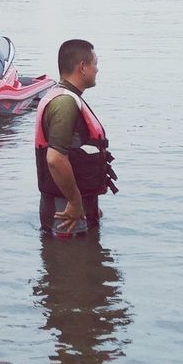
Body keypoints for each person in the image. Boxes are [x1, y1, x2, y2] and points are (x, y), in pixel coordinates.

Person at [34, 39, 116, 236]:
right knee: (70, 263)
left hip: (74, 207)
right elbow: (55, 159)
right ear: (82, 67)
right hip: (65, 213)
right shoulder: (64, 103)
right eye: (95, 63)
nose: (97, 69)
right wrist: (75, 202)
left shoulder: (68, 97)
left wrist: (89, 204)